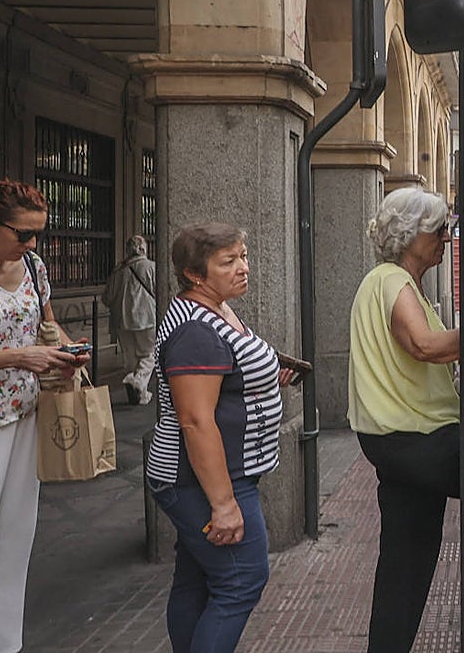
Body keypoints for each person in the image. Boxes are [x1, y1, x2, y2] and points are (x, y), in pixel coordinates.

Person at [145, 223, 295, 653]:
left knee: (196, 580)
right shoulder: (196, 330)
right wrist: (224, 505)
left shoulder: (218, 309)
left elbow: (226, 376)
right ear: (195, 274)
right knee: (241, 579)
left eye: (243, 256)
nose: (243, 268)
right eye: (228, 262)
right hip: (200, 481)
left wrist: (267, 379)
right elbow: (195, 420)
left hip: (220, 474)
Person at [348, 187, 460, 653]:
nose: (446, 239)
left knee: (406, 563)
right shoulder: (390, 280)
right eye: (439, 230)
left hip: (402, 440)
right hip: (417, 437)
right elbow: (424, 346)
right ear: (411, 235)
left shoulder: (396, 283)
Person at [0, 179, 89, 653]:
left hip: (26, 412)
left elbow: (47, 327)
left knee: (15, 538)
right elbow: (24, 348)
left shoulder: (32, 266)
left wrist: (67, 352)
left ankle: (6, 645)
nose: (31, 244)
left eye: (37, 235)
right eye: (22, 234)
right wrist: (17, 357)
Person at [102, 233, 157, 405]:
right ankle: (139, 382)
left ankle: (139, 394)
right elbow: (161, 291)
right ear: (143, 249)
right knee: (150, 353)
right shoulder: (152, 267)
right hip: (147, 318)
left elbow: (107, 298)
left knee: (131, 359)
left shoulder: (118, 270)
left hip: (123, 321)